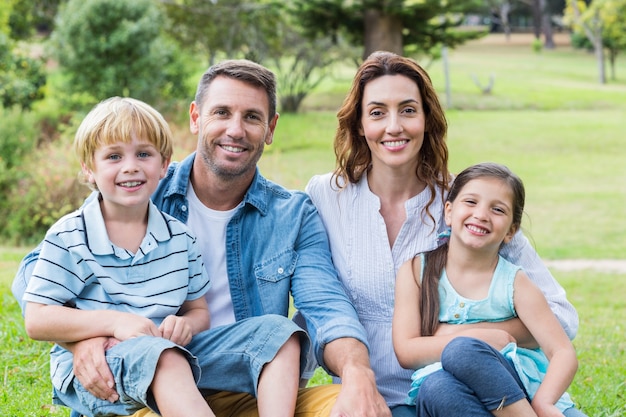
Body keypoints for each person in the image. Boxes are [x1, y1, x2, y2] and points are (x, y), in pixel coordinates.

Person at [13, 60, 390, 417]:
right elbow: (34, 274)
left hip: (245, 388)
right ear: (196, 118)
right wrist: (90, 334)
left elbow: (326, 305)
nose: (236, 130)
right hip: (148, 391)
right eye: (222, 113)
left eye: (252, 117)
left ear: (271, 128)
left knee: (349, 405)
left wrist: (358, 372)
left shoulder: (291, 215)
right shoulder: (141, 188)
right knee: (160, 359)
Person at [305, 51, 581, 417]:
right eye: (377, 112)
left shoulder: (465, 205)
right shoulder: (326, 196)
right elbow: (315, 304)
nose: (394, 126)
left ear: (426, 119)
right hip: (367, 400)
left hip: (461, 391)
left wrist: (463, 340)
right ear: (358, 124)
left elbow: (561, 317)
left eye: (407, 110)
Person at [21, 96, 303, 417]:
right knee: (163, 356)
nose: (131, 166)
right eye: (113, 156)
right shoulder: (71, 234)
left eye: (144, 154)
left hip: (171, 355)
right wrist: (115, 323)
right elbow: (38, 319)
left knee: (279, 334)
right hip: (103, 365)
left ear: (164, 163)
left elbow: (198, 310)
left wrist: (185, 324)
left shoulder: (179, 237)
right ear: (89, 168)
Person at [392, 162, 580, 416]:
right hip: (453, 392)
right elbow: (406, 351)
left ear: (511, 231)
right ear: (448, 211)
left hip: (520, 391)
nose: (481, 214)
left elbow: (561, 351)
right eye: (471, 202)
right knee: (438, 386)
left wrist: (544, 403)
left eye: (498, 209)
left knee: (461, 351)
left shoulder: (514, 281)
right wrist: (476, 338)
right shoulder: (417, 271)